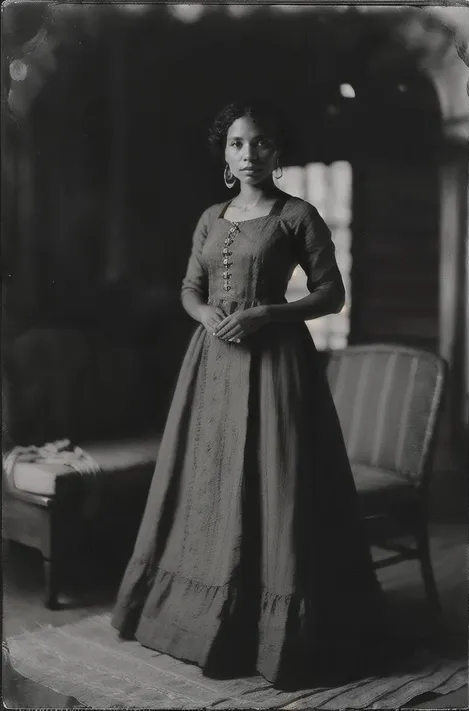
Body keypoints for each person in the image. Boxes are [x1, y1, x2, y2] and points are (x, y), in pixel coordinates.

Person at [111, 100, 391, 689]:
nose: (248, 154)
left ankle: (274, 635)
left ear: (277, 151)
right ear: (225, 153)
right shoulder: (211, 217)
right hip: (212, 363)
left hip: (277, 363)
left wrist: (267, 313)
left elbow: (331, 295)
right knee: (209, 480)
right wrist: (207, 313)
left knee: (276, 480)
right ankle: (196, 619)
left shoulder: (297, 215)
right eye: (238, 144)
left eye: (261, 143)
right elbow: (190, 287)